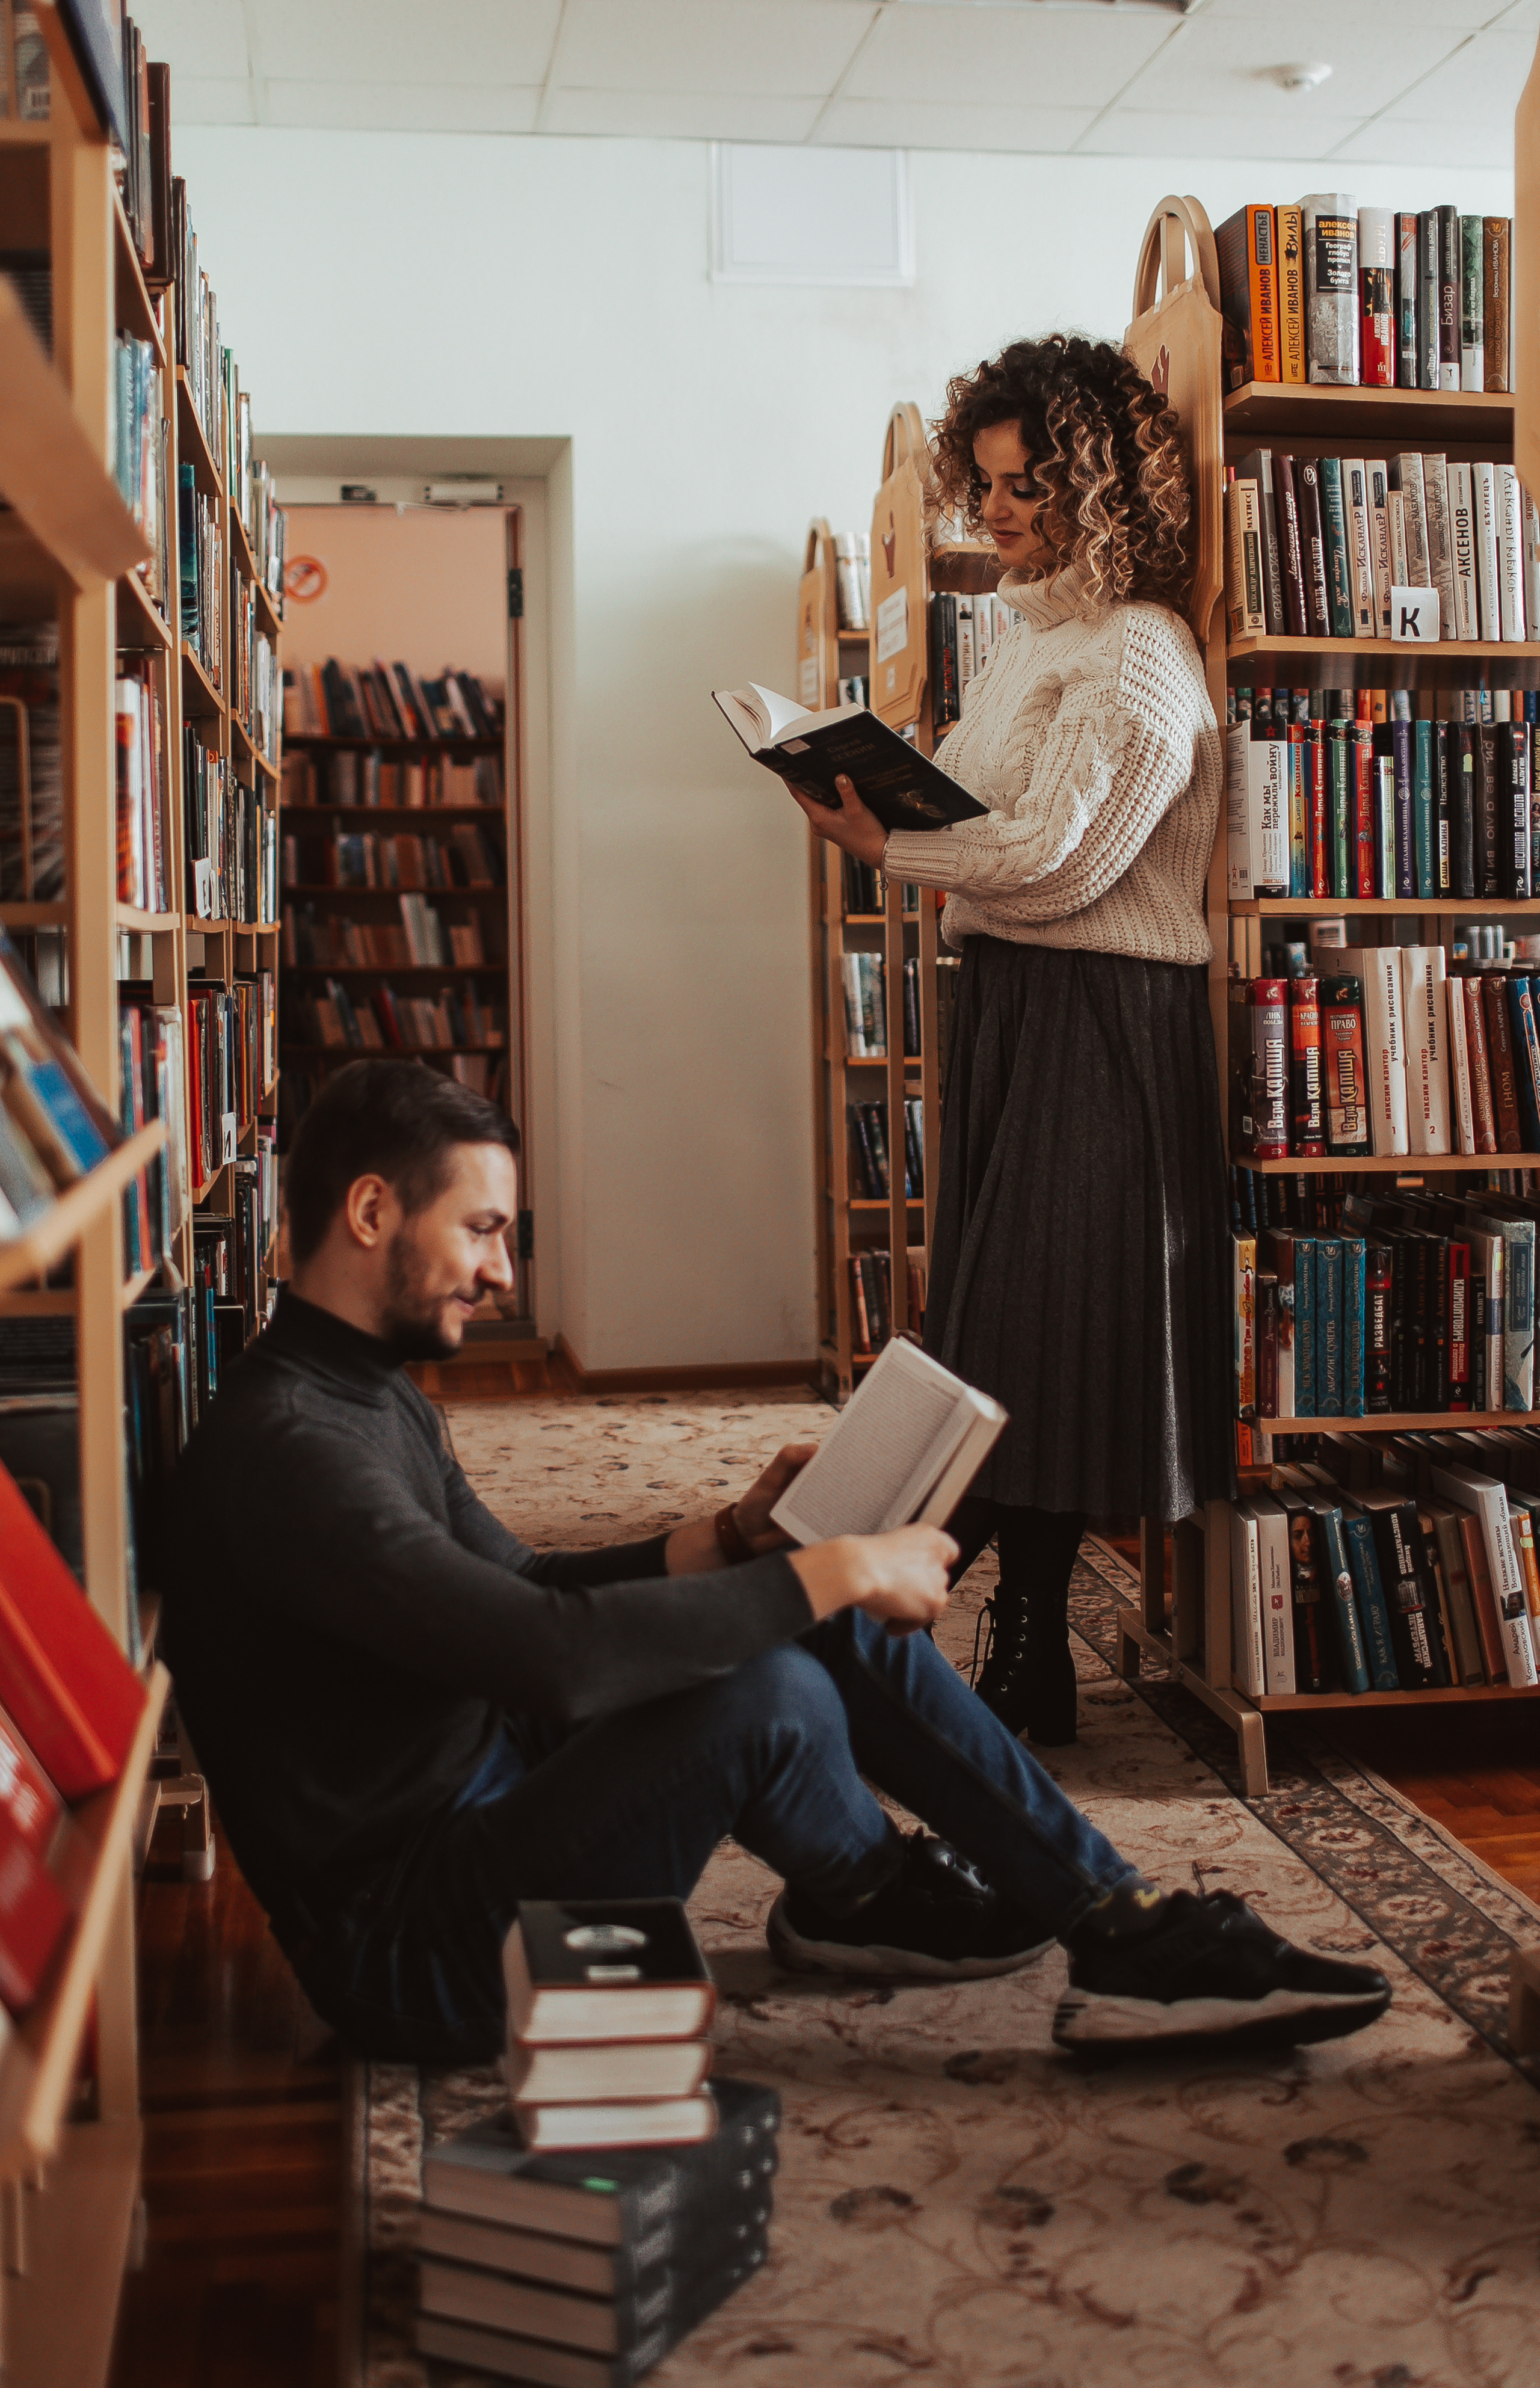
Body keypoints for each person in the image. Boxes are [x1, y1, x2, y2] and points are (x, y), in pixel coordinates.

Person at [162, 1062, 1388, 2067]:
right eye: (481, 1229)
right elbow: (553, 1659)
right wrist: (838, 1571)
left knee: (793, 1604)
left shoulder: (363, 1390)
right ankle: (893, 1895)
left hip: (482, 1789)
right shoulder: (289, 1453)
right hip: (421, 1950)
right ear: (371, 1212)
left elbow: (527, 1591)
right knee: (773, 1670)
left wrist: (735, 1537)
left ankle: (1084, 1920)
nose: (501, 1272)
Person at [793, 333, 1233, 1750]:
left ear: (1097, 489)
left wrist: (888, 843)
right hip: (1011, 1006)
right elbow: (988, 829)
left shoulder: (1142, 651)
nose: (997, 512)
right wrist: (882, 800)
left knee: (1033, 1334)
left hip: (1100, 1013)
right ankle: (987, 1640)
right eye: (982, 486)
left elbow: (1057, 859)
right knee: (995, 1333)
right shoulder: (1025, 640)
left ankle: (848, 1612)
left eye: (1026, 486)